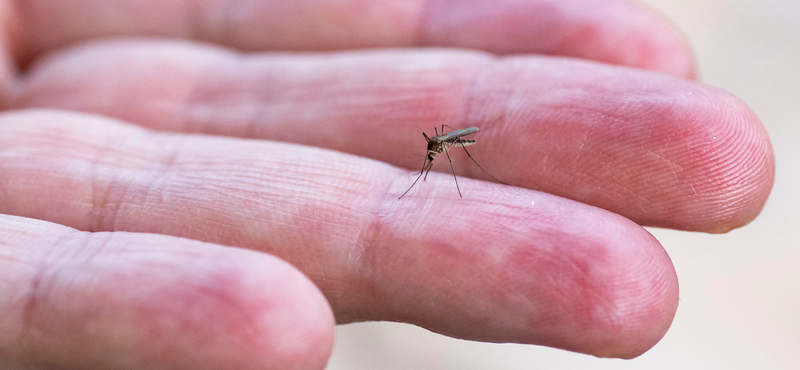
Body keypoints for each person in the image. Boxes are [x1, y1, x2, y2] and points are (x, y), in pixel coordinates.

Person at [0, 0, 774, 368]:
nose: (437, 148)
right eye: (437, 146)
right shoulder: (437, 140)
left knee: (469, 174)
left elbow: (449, 143)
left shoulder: (453, 140)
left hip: (463, 135)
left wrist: (448, 152)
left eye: (438, 146)